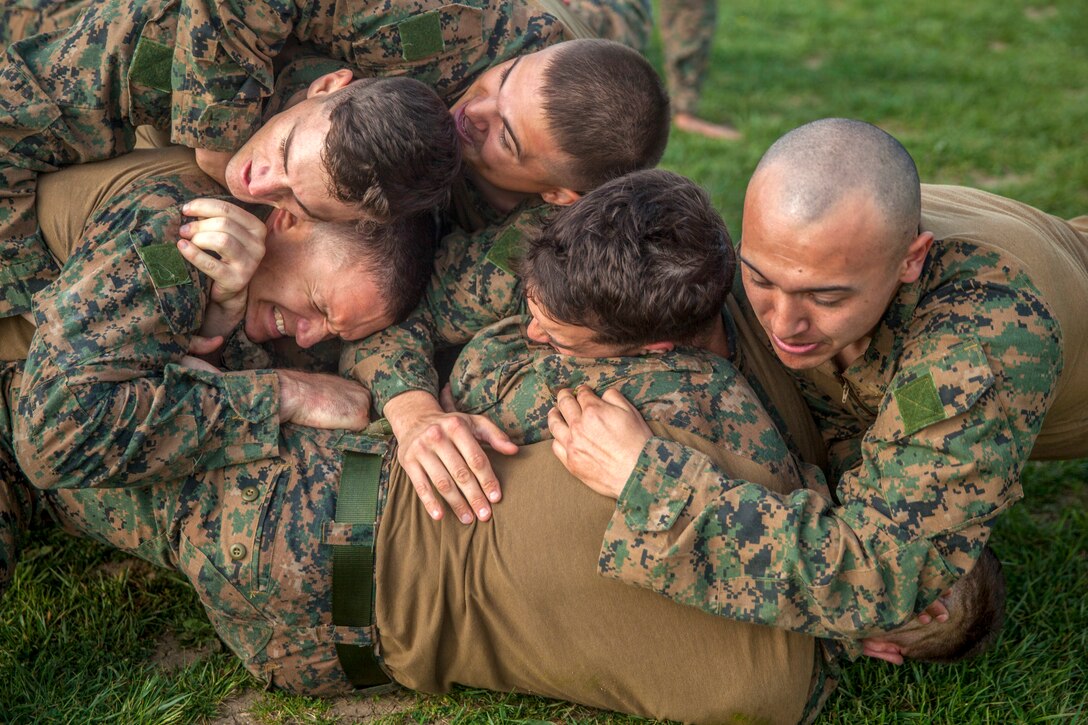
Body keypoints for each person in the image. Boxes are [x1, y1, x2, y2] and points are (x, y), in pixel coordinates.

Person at [0, 161, 1004, 725]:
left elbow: (475, 368)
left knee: (61, 402)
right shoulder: (773, 695)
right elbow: (398, 312)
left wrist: (421, 401)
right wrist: (412, 405)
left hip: (305, 505)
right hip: (319, 643)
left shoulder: (705, 411)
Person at [547, 117, 1088, 638]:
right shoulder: (809, 245)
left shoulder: (980, 341)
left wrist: (654, 487)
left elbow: (880, 578)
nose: (784, 325)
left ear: (911, 260)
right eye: (760, 278)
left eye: (826, 297)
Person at [0, 0, 629, 320]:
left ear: (558, 195)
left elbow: (413, 304)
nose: (474, 111)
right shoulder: (470, 32)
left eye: (506, 139)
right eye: (503, 80)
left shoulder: (548, 254)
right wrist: (219, 139)